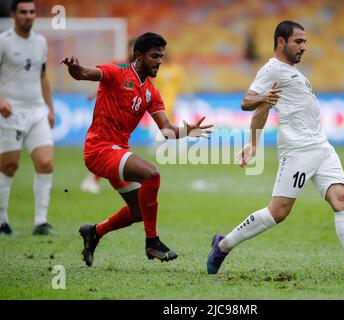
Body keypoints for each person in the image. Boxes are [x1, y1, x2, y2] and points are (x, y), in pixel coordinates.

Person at [206, 20, 344, 276]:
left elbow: (263, 109)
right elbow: (248, 102)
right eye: (298, 41)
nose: (304, 47)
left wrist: (253, 139)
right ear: (281, 42)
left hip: (322, 148)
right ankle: (223, 245)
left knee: (342, 200)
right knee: (279, 211)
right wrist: (253, 137)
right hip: (298, 152)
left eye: (305, 41)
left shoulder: (292, 73)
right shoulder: (272, 69)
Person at [61, 32, 212, 266]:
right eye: (154, 56)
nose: (159, 61)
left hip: (117, 152)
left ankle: (94, 232)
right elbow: (82, 73)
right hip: (99, 150)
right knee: (151, 174)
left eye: (161, 56)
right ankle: (152, 242)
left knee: (139, 212)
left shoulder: (151, 92)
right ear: (139, 56)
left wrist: (187, 130)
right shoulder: (116, 73)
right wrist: (74, 68)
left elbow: (166, 131)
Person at [0, 0, 54, 236]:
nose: (28, 16)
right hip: (11, 111)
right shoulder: (3, 41)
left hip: (37, 110)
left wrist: (50, 107)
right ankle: (2, 220)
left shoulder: (41, 41)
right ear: (13, 14)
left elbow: (42, 76)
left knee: (45, 163)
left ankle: (41, 222)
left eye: (32, 12)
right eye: (23, 12)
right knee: (9, 166)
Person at [80, 38, 136, 194]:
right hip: (108, 113)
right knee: (109, 150)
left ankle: (95, 180)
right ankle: (95, 180)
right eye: (132, 48)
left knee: (114, 151)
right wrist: (93, 95)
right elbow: (105, 82)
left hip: (124, 117)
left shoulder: (140, 71)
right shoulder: (117, 65)